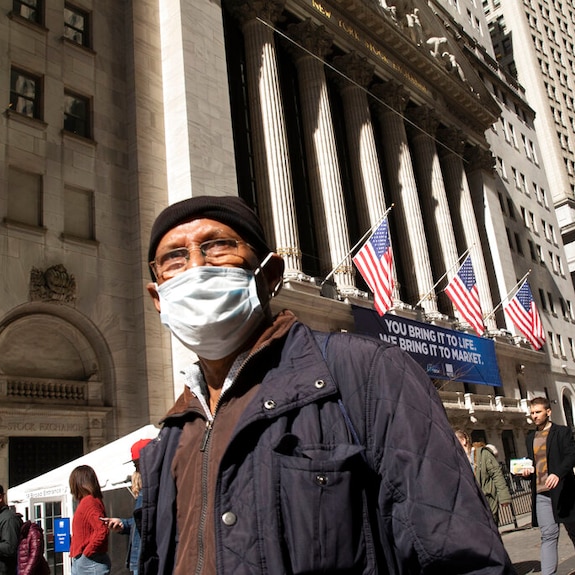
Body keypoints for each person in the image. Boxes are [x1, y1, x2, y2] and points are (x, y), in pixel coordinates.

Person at [137, 195, 515, 574]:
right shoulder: (168, 439)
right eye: (175, 258)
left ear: (269, 275)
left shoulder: (368, 374)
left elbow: (462, 558)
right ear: (158, 297)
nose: (197, 267)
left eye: (218, 246)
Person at [520, 397, 575, 575]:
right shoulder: (530, 437)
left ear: (548, 412)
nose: (534, 416)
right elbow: (533, 462)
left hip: (564, 492)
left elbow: (571, 456)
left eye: (538, 412)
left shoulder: (562, 432)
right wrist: (525, 470)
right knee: (548, 535)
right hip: (541, 493)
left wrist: (557, 474)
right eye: (532, 413)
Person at [102, 438, 151, 575]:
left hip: (148, 560)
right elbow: (141, 522)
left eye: (137, 464)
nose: (136, 469)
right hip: (140, 558)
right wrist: (123, 524)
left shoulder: (155, 488)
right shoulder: (146, 489)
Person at [455, 431, 512, 525]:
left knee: (491, 530)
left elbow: (497, 474)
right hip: (469, 505)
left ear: (464, 440)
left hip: (487, 500)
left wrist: (504, 497)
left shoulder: (483, 454)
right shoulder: (457, 461)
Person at [69, 465, 110, 575]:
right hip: (86, 560)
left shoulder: (89, 502)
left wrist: (87, 553)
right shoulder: (91, 501)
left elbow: (102, 530)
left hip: (90, 561)